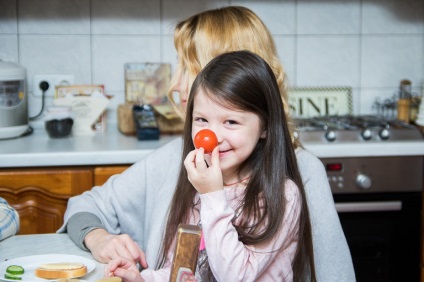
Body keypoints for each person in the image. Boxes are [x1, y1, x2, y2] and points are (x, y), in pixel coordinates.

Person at [59, 6, 355, 281]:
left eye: (186, 67)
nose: (175, 85)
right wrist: (99, 238)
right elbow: (86, 207)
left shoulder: (294, 177)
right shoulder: (184, 158)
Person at [106, 50, 317, 281]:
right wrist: (142, 279)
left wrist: (213, 195)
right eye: (202, 120)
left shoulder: (282, 195)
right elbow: (183, 272)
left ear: (265, 127)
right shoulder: (197, 186)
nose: (212, 136)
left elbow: (236, 276)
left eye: (231, 122)